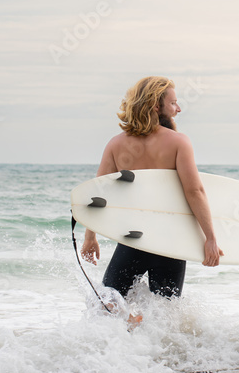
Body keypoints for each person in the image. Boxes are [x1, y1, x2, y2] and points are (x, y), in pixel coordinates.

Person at [81, 76, 223, 300]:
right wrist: (211, 238)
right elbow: (194, 191)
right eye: (173, 103)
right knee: (164, 316)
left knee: (109, 307)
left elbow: (98, 195)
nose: (178, 108)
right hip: (168, 242)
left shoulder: (116, 144)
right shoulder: (178, 142)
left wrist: (90, 238)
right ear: (156, 106)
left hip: (132, 239)